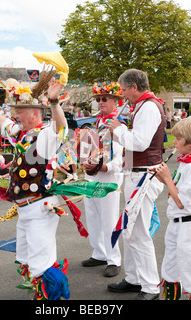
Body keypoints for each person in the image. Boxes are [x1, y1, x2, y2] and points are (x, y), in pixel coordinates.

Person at [0, 77, 69, 300]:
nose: (15, 115)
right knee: (27, 258)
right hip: (25, 209)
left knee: (42, 264)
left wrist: (54, 101)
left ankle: (53, 300)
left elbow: (61, 127)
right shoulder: (21, 134)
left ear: (34, 113)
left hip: (40, 207)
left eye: (19, 110)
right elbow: (3, 123)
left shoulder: (45, 136)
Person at [106, 69, 165, 300]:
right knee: (129, 232)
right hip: (135, 173)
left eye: (123, 90)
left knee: (139, 233)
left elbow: (140, 143)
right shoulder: (142, 106)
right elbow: (137, 143)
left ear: (134, 86)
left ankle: (150, 287)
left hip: (142, 176)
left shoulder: (149, 106)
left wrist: (118, 129)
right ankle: (134, 278)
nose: (122, 95)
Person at [152, 116, 191, 300]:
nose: (174, 142)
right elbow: (176, 191)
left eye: (178, 139)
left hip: (190, 224)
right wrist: (162, 178)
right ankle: (171, 296)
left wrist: (168, 178)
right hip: (177, 223)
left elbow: (182, 202)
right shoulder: (187, 162)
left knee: (190, 270)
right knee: (170, 267)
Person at [80, 81, 124, 278]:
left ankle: (113, 259)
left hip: (109, 177)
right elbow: (89, 148)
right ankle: (99, 252)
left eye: (104, 98)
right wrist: (85, 161)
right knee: (93, 216)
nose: (100, 102)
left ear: (115, 101)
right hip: (92, 176)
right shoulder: (96, 123)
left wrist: (106, 167)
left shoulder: (119, 124)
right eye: (98, 99)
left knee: (109, 219)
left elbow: (122, 156)